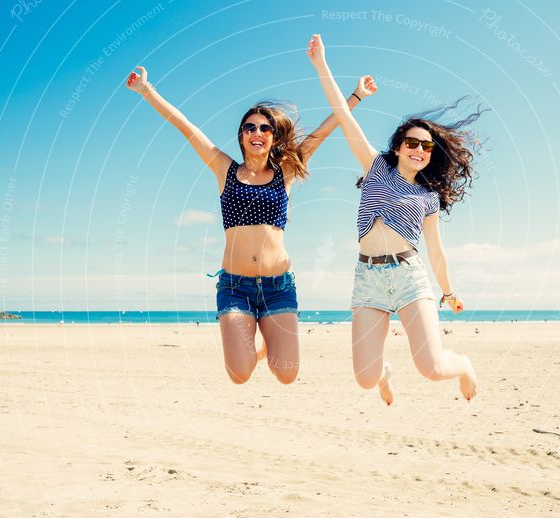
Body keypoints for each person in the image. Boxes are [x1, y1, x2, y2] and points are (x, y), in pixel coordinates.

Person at [126, 65, 377, 384]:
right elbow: (186, 127)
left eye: (264, 128)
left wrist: (356, 96)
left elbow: (321, 133)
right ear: (242, 136)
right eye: (249, 127)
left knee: (287, 374)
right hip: (235, 287)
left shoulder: (286, 172)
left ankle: (264, 345)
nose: (257, 132)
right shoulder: (224, 169)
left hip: (278, 287)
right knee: (240, 374)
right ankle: (249, 347)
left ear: (273, 137)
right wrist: (147, 90)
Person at [308, 34, 482, 405]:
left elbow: (436, 252)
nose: (419, 150)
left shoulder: (428, 197)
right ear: (400, 146)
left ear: (431, 154)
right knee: (364, 378)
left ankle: (463, 363)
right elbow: (342, 114)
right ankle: (385, 374)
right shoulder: (375, 166)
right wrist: (322, 64)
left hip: (409, 277)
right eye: (413, 143)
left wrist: (449, 293)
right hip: (367, 277)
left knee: (432, 368)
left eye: (426, 146)